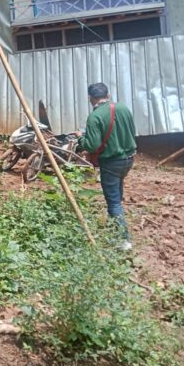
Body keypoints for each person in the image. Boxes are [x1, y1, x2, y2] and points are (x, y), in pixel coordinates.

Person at [76, 82, 137, 250]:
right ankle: (113, 227)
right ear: (108, 96)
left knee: (113, 201)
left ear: (90, 98)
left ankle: (123, 240)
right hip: (129, 158)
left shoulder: (95, 117)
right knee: (117, 193)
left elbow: (92, 145)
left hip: (111, 161)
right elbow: (132, 131)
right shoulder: (123, 108)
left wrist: (81, 138)